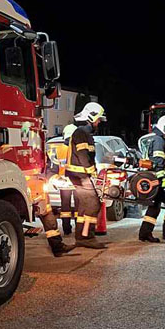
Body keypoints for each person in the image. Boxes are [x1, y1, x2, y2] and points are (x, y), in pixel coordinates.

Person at [66, 102, 107, 249]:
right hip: (81, 175)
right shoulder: (82, 133)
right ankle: (86, 237)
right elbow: (83, 155)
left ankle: (82, 236)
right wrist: (90, 174)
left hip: (79, 175)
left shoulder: (83, 133)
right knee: (93, 204)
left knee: (85, 206)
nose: (98, 123)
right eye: (98, 119)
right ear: (91, 117)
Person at [139, 115, 165, 242]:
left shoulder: (158, 139)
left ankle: (146, 233)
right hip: (159, 180)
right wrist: (163, 182)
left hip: (157, 180)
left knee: (156, 207)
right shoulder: (159, 141)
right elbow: (158, 162)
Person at [28, 177, 75, 257]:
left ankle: (58, 248)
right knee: (49, 220)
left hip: (39, 192)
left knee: (50, 221)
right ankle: (58, 248)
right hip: (34, 191)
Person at [57, 124, 77, 235]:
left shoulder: (60, 149)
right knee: (79, 206)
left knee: (65, 207)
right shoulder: (75, 148)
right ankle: (80, 229)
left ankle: (66, 229)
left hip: (63, 181)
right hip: (76, 179)